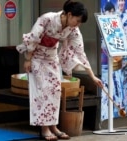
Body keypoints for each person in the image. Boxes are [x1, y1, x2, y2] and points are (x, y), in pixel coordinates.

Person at [16, 0, 103, 140]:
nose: (78, 24)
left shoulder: (72, 29)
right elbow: (33, 38)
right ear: (69, 14)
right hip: (37, 58)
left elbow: (80, 52)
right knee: (43, 90)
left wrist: (92, 77)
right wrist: (28, 58)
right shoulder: (47, 18)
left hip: (52, 58)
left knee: (56, 90)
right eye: (77, 20)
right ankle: (44, 128)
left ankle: (53, 126)